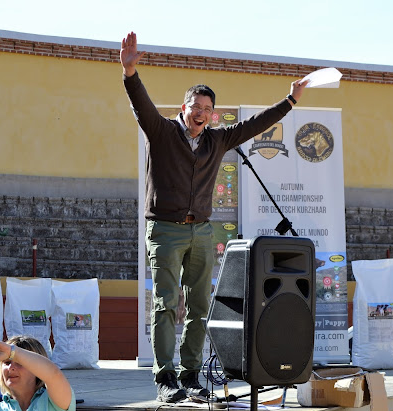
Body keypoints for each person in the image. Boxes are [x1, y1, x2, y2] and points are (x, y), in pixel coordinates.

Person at [120, 31, 308, 403]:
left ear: (212, 114)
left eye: (208, 109)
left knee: (199, 306)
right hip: (165, 230)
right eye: (196, 106)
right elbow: (142, 105)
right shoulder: (161, 131)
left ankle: (190, 376)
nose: (201, 113)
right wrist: (129, 73)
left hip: (202, 232)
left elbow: (254, 125)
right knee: (165, 303)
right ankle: (165, 378)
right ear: (184, 107)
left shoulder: (216, 140)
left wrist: (290, 101)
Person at [0, 334, 75, 411]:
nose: (11, 368)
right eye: (7, 362)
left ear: (37, 369)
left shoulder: (52, 401)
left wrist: (12, 351)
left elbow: (53, 374)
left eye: (19, 363)